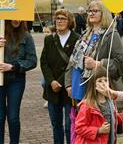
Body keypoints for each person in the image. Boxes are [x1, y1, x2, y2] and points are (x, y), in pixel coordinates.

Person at [65, 0, 123, 135]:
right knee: (81, 127)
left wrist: (98, 64)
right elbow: (73, 61)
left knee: (97, 130)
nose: (91, 13)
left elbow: (120, 63)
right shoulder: (85, 34)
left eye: (95, 10)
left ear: (103, 13)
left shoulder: (111, 34)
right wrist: (68, 84)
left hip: (96, 90)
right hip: (78, 89)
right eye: (89, 10)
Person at [0, 20, 37, 144]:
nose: (16, 20)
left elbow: (32, 61)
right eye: (13, 17)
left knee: (13, 117)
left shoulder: (26, 36)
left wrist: (12, 67)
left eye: (19, 17)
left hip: (16, 81)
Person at [40, 9, 79, 144]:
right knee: (56, 125)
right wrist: (51, 81)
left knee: (70, 126)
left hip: (69, 88)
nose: (60, 21)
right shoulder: (49, 39)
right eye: (57, 18)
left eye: (63, 18)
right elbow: (44, 62)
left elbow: (77, 64)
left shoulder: (77, 39)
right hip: (53, 89)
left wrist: (60, 82)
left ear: (70, 22)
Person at [74, 66, 123, 144]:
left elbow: (113, 117)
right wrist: (98, 130)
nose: (103, 83)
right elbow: (79, 127)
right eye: (100, 81)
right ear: (94, 85)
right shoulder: (87, 105)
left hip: (108, 140)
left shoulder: (111, 101)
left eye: (106, 80)